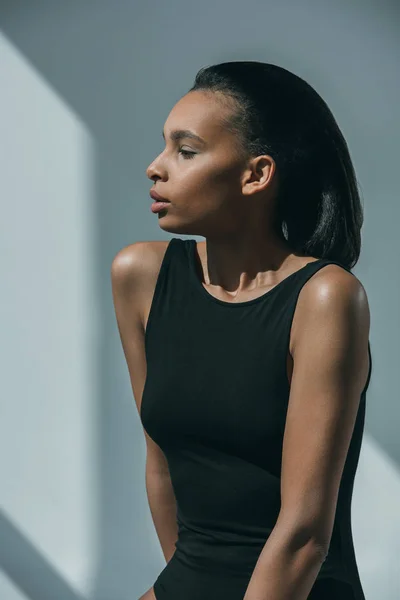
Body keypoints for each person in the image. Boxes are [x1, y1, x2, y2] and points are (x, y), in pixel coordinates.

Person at [111, 61, 372, 600]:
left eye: (186, 150)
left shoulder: (325, 297)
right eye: (164, 146)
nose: (155, 168)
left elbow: (303, 535)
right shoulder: (140, 276)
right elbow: (161, 465)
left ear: (256, 174)